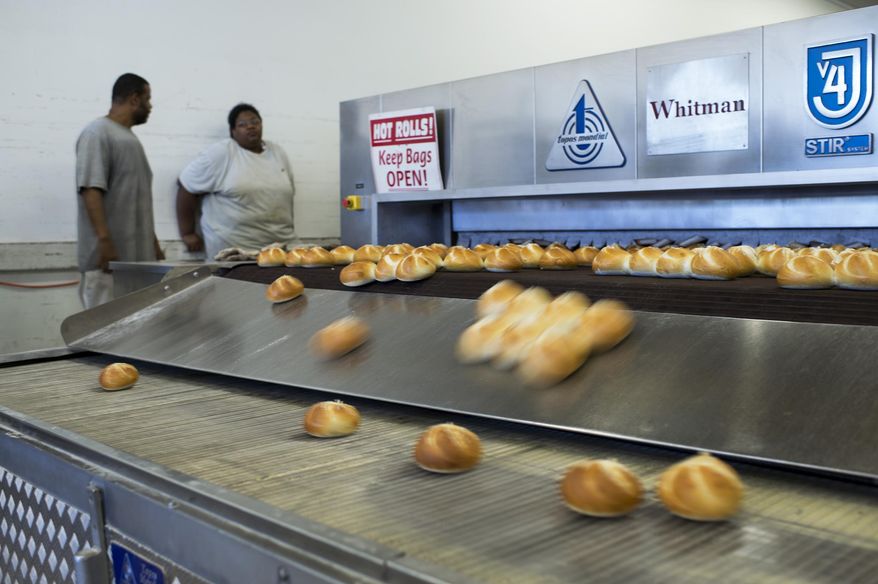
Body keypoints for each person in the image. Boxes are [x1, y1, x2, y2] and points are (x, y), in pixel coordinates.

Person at [75, 73, 164, 309]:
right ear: (135, 99)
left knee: (136, 338)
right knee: (102, 337)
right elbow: (91, 190)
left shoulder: (130, 140)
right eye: (148, 99)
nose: (151, 106)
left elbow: (137, 198)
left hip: (137, 264)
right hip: (109, 263)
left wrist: (152, 244)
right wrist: (105, 242)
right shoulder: (97, 133)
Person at [176, 103, 296, 259]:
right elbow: (186, 184)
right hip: (233, 251)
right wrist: (188, 233)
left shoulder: (277, 152)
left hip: (279, 248)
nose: (251, 127)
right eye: (242, 125)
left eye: (255, 122)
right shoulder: (223, 153)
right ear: (233, 131)